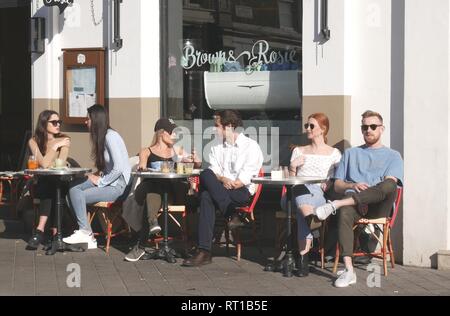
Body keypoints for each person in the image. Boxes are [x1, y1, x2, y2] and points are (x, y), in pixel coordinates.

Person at [313, 110, 403, 288]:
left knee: (389, 185)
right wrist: (351, 186)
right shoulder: (350, 154)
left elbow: (390, 185)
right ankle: (348, 270)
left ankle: (337, 204)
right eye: (364, 127)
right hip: (354, 205)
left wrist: (353, 196)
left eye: (373, 126)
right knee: (345, 212)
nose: (368, 130)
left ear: (381, 129)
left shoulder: (393, 155)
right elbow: (337, 184)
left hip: (378, 206)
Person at [182, 110, 264, 267]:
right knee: (206, 175)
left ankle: (204, 252)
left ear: (230, 126)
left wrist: (227, 181)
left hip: (241, 192)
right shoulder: (216, 147)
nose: (214, 129)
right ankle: (231, 214)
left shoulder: (251, 147)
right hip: (221, 189)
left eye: (217, 126)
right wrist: (222, 178)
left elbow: (242, 181)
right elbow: (213, 172)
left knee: (206, 194)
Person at [124, 118, 201, 262]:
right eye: (172, 132)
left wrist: (195, 161)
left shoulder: (177, 151)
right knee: (154, 187)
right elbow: (142, 166)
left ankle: (143, 242)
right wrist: (142, 166)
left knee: (155, 189)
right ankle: (152, 223)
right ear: (162, 133)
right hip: (152, 191)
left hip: (173, 191)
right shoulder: (146, 151)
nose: (175, 136)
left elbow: (194, 166)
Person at [63, 104, 131, 249]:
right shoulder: (102, 137)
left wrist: (101, 181)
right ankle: (87, 234)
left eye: (87, 119)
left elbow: (118, 168)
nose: (85, 122)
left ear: (95, 120)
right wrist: (94, 176)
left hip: (117, 186)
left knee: (75, 195)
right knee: (73, 188)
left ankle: (86, 233)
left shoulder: (110, 136)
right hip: (108, 181)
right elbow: (108, 167)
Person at [281, 113, 341, 277]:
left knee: (304, 210)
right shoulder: (299, 151)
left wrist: (329, 183)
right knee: (302, 188)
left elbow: (337, 179)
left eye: (311, 126)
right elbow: (289, 181)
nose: (307, 128)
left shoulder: (334, 154)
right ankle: (312, 220)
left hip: (318, 196)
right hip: (293, 196)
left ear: (323, 129)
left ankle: (303, 260)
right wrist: (293, 166)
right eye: (306, 125)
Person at [26, 110, 71, 250]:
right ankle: (55, 233)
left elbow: (60, 163)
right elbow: (44, 164)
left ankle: (39, 231)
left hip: (60, 180)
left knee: (54, 184)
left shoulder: (65, 139)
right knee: (49, 184)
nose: (58, 125)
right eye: (54, 122)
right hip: (42, 182)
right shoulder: (33, 141)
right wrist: (55, 147)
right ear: (44, 123)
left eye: (59, 122)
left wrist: (51, 159)